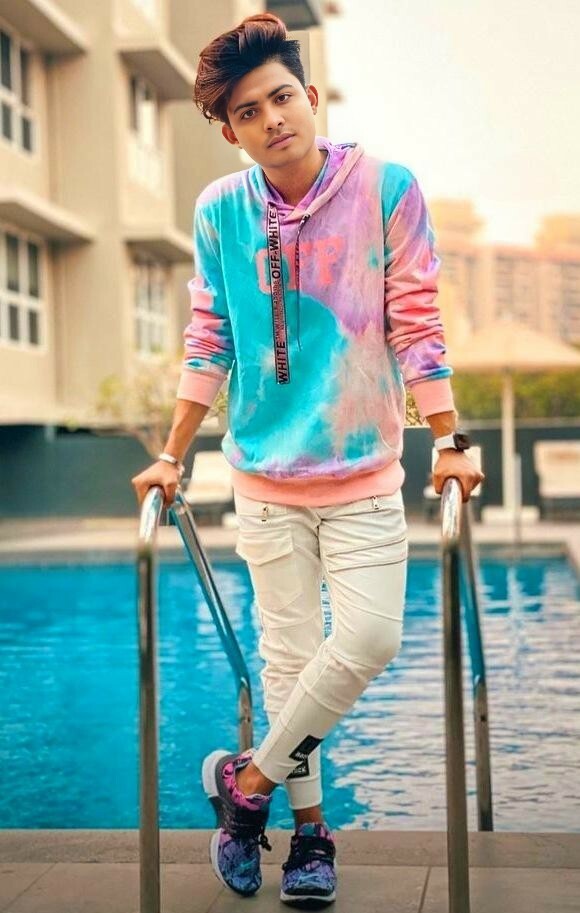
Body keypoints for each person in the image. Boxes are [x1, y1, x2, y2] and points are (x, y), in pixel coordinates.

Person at [132, 11, 484, 906]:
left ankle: (244, 787)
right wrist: (171, 455)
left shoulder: (388, 189)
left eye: (281, 97)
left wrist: (449, 439)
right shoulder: (220, 210)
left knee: (368, 637)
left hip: (364, 472)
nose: (272, 119)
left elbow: (417, 322)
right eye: (248, 112)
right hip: (263, 479)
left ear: (311, 96)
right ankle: (311, 838)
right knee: (288, 662)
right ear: (231, 131)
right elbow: (209, 338)